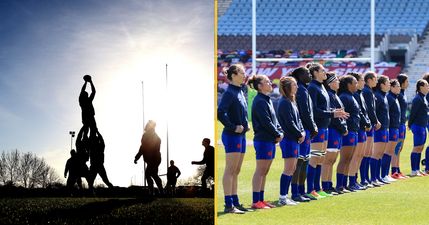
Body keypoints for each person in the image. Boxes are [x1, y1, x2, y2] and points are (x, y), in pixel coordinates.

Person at [306, 63, 348, 199]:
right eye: (323, 70)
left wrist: (333, 112)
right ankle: (310, 189)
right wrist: (332, 114)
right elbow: (314, 110)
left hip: (325, 126)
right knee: (315, 159)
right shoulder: (312, 87)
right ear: (315, 72)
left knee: (320, 159)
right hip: (318, 127)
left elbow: (324, 109)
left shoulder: (321, 87)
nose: (325, 72)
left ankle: (318, 188)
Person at [248, 74, 283, 209]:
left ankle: (261, 200)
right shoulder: (260, 101)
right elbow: (266, 122)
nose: (270, 84)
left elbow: (274, 121)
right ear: (260, 86)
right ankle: (256, 201)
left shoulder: (266, 99)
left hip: (269, 140)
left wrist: (279, 132)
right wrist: (277, 133)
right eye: (267, 82)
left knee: (265, 171)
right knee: (260, 170)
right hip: (263, 140)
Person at [217, 64, 248, 214]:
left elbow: (241, 112)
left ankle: (235, 202)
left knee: (236, 170)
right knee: (230, 170)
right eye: (242, 72)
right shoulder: (230, 92)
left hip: (241, 136)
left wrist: (245, 124)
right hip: (232, 136)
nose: (244, 74)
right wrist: (233, 127)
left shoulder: (240, 90)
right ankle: (228, 205)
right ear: (234, 75)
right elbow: (220, 113)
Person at [289, 67, 318, 202]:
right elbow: (305, 112)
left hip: (306, 129)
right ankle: (295, 192)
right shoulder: (300, 90)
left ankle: (301, 191)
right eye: (307, 73)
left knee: (305, 160)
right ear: (300, 76)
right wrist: (312, 127)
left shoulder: (304, 88)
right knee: (300, 162)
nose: (310, 75)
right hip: (303, 130)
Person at [276, 76, 304, 206]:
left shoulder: (292, 101)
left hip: (294, 139)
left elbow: (298, 121)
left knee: (292, 168)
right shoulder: (284, 102)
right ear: (288, 87)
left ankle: (285, 196)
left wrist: (302, 132)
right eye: (294, 85)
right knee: (288, 169)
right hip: (289, 139)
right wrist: (299, 134)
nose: (297, 87)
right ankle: (283, 197)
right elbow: (289, 123)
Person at [321, 72, 348, 195]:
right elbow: (334, 116)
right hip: (333, 130)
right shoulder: (330, 95)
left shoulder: (334, 95)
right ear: (330, 83)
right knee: (328, 160)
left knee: (332, 160)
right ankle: (325, 185)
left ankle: (329, 184)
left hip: (337, 130)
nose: (338, 82)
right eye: (336, 80)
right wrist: (342, 128)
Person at [336, 75, 359, 193]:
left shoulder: (352, 96)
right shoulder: (344, 97)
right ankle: (340, 185)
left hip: (354, 131)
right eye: (355, 82)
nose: (357, 84)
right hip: (348, 132)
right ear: (349, 85)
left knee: (349, 159)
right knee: (344, 159)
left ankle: (344, 185)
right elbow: (342, 116)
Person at [348, 72, 371, 191]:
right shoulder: (355, 95)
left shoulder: (360, 94)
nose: (363, 82)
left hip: (362, 128)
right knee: (356, 156)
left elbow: (363, 112)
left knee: (360, 155)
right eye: (360, 80)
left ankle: (355, 180)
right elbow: (359, 113)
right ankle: (351, 181)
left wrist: (367, 121)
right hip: (359, 128)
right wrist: (366, 122)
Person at [361, 71, 381, 187]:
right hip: (368, 125)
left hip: (370, 125)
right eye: (375, 79)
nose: (376, 81)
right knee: (366, 153)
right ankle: (364, 179)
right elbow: (369, 110)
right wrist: (375, 121)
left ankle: (367, 179)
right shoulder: (367, 92)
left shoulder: (369, 91)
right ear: (369, 80)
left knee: (368, 153)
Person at [370, 75, 391, 184]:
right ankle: (373, 178)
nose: (389, 84)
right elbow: (373, 112)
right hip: (379, 129)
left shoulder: (384, 96)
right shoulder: (377, 96)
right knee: (376, 153)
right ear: (382, 85)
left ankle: (378, 177)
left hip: (385, 128)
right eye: (387, 82)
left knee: (381, 154)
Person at [134, 120, 164, 195]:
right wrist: (137, 157)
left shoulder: (154, 137)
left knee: (149, 174)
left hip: (154, 159)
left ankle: (155, 191)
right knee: (153, 174)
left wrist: (138, 157)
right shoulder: (146, 136)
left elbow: (145, 148)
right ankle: (159, 191)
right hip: (153, 159)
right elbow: (142, 148)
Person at [381, 79, 401, 182]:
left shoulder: (394, 97)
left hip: (395, 128)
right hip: (391, 127)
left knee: (390, 151)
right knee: (387, 152)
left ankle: (385, 174)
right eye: (397, 86)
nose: (399, 88)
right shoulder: (389, 97)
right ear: (392, 87)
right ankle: (383, 175)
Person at [408, 79, 429, 176]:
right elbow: (413, 113)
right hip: (418, 126)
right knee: (416, 148)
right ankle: (413, 170)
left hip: (423, 125)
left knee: (420, 147)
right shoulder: (417, 99)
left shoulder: (423, 97)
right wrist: (409, 124)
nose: (428, 87)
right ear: (421, 87)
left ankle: (417, 169)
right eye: (426, 86)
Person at [391, 74, 409, 179]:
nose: (408, 84)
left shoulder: (403, 94)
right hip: (397, 124)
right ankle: (394, 171)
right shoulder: (398, 95)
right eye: (406, 81)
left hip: (402, 123)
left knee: (400, 148)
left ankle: (397, 169)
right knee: (396, 147)